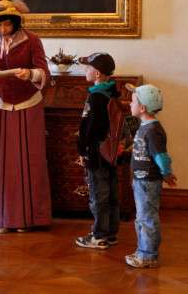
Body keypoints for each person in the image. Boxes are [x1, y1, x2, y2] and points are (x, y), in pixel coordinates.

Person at [0, 0, 52, 233]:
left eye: (8, 25)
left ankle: (28, 219)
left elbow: (44, 73)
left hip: (28, 104)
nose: (3, 30)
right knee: (1, 162)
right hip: (0, 104)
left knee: (30, 160)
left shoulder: (33, 41)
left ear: (16, 23)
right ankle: (2, 218)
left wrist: (30, 74)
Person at [124, 84, 177, 268]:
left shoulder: (153, 130)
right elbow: (143, 149)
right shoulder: (145, 127)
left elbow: (161, 156)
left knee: (147, 218)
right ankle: (143, 250)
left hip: (148, 181)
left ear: (142, 108)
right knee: (142, 217)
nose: (130, 105)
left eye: (133, 101)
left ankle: (149, 254)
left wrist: (167, 173)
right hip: (140, 180)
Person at [75, 53, 120, 249]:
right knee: (110, 193)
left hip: (96, 152)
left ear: (98, 73)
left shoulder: (96, 97)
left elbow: (91, 126)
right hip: (110, 152)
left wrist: (82, 148)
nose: (85, 71)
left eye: (88, 68)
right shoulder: (112, 92)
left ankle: (99, 235)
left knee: (97, 194)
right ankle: (110, 233)